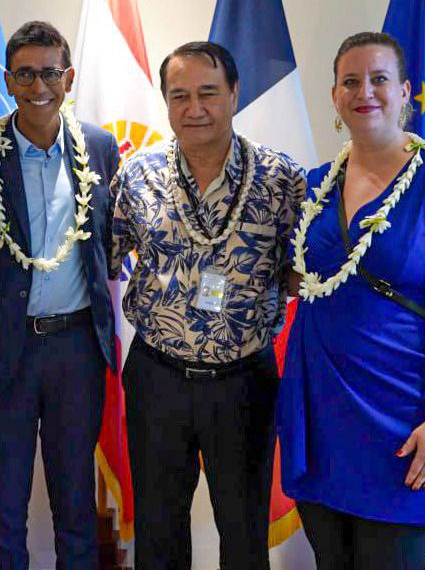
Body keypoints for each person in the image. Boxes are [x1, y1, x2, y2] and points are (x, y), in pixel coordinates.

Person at [277, 31, 425, 570]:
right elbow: (299, 279)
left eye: (379, 79)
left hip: (409, 417)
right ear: (334, 97)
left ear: (404, 92)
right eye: (350, 81)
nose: (364, 92)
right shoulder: (315, 187)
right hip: (323, 415)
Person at [111, 41, 306, 570]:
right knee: (158, 529)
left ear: (235, 93)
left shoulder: (279, 178)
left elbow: (303, 271)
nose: (194, 109)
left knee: (243, 532)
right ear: (166, 103)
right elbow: (104, 258)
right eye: (179, 96)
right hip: (159, 377)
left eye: (207, 93)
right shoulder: (137, 175)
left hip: (243, 380)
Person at [0, 21, 120, 569]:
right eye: (25, 74)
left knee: (75, 500)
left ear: (68, 77)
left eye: (49, 73)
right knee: (5, 506)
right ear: (8, 80)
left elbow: (109, 243)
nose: (38, 86)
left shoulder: (98, 148)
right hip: (6, 351)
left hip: (77, 349)